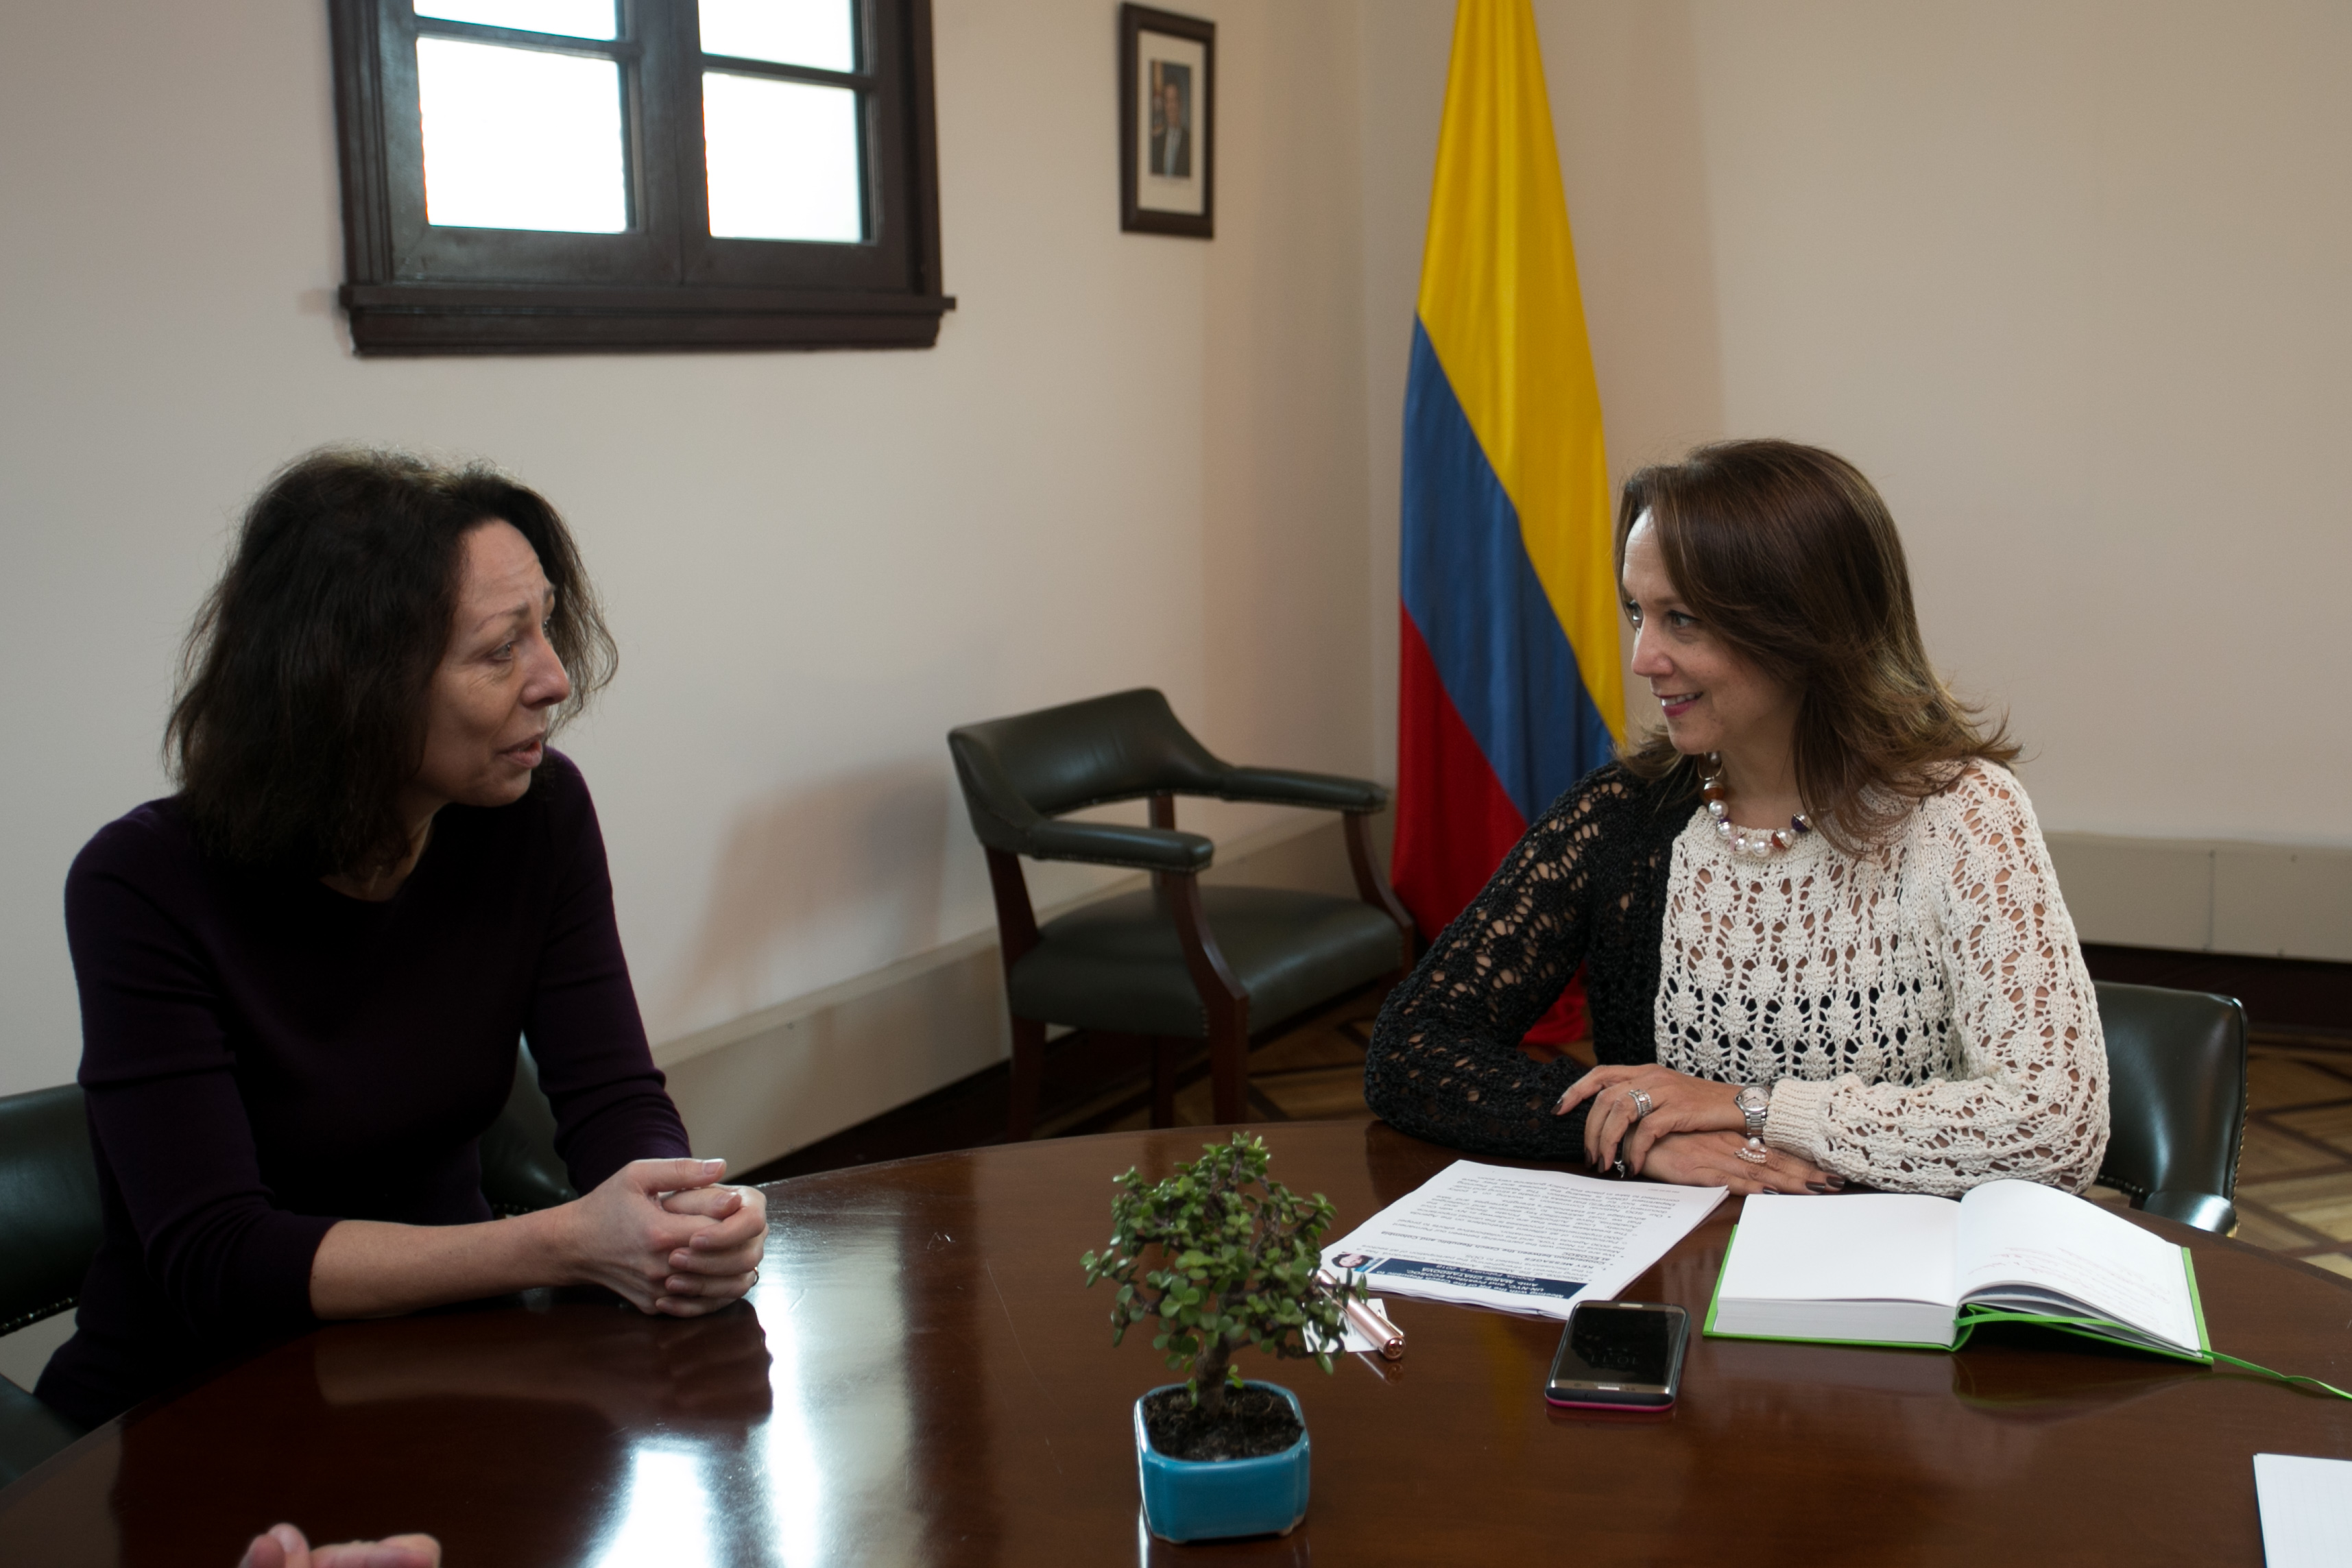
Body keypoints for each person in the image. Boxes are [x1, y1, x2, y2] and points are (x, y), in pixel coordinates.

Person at [38, 450, 767, 1430]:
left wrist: (675, 1215)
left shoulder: (535, 813)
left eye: (544, 626)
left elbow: (612, 1096)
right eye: (499, 649)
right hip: (198, 1404)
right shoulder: (141, 884)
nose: (552, 679)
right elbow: (218, 1256)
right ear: (354, 685)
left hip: (450, 1363)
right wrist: (565, 1242)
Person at [1364, 439, 2109, 1198]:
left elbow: (2055, 1128)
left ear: (1805, 628)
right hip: (1679, 1270)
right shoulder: (1621, 818)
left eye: (1681, 620)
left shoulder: (1965, 813)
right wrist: (1631, 1136)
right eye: (1636, 613)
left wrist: (1750, 1109)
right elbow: (1409, 1049)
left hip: (1905, 1280)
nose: (1642, 658)